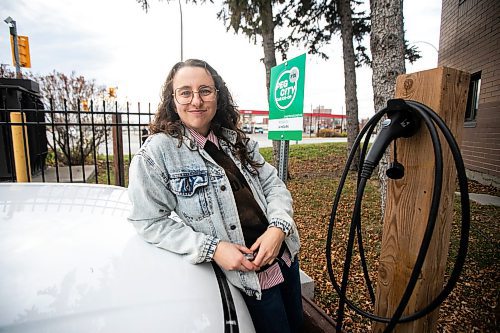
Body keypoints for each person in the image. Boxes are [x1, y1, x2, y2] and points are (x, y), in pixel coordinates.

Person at [127, 59, 303, 333]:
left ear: (217, 95)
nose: (196, 100)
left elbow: (273, 184)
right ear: (173, 100)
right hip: (247, 278)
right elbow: (148, 221)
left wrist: (278, 228)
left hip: (285, 257)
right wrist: (213, 248)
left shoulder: (233, 140)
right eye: (185, 92)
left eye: (205, 90)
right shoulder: (157, 154)